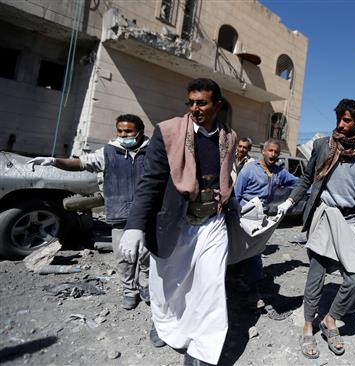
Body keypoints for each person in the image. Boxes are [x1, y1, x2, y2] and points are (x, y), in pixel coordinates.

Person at [119, 78, 237, 366]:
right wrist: (134, 225)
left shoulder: (229, 137)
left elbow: (226, 178)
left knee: (210, 286)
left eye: (202, 102)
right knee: (167, 285)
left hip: (212, 222)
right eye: (191, 102)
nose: (195, 108)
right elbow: (151, 182)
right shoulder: (168, 131)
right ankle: (165, 324)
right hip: (176, 220)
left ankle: (202, 350)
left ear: (217, 105)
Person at [277, 99, 355, 359]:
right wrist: (290, 201)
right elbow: (308, 178)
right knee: (316, 275)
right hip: (324, 214)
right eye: (339, 120)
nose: (341, 125)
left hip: (349, 221)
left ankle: (330, 320)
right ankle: (309, 325)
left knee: (354, 280)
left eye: (346, 120)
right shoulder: (323, 146)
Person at [29, 114, 150, 310]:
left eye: (128, 131)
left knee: (146, 254)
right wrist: (55, 161)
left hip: (146, 215)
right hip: (119, 214)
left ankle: (145, 286)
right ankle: (130, 290)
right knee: (124, 256)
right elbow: (80, 164)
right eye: (120, 131)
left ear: (140, 131)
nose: (123, 135)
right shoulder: (108, 152)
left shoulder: (154, 151)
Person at [232, 138, 298, 308]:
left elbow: (299, 183)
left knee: (252, 253)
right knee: (249, 254)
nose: (273, 154)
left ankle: (249, 288)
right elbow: (236, 196)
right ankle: (250, 291)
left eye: (276, 152)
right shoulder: (248, 170)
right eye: (271, 151)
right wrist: (236, 217)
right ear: (263, 151)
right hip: (244, 218)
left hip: (261, 220)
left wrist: (314, 184)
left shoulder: (278, 172)